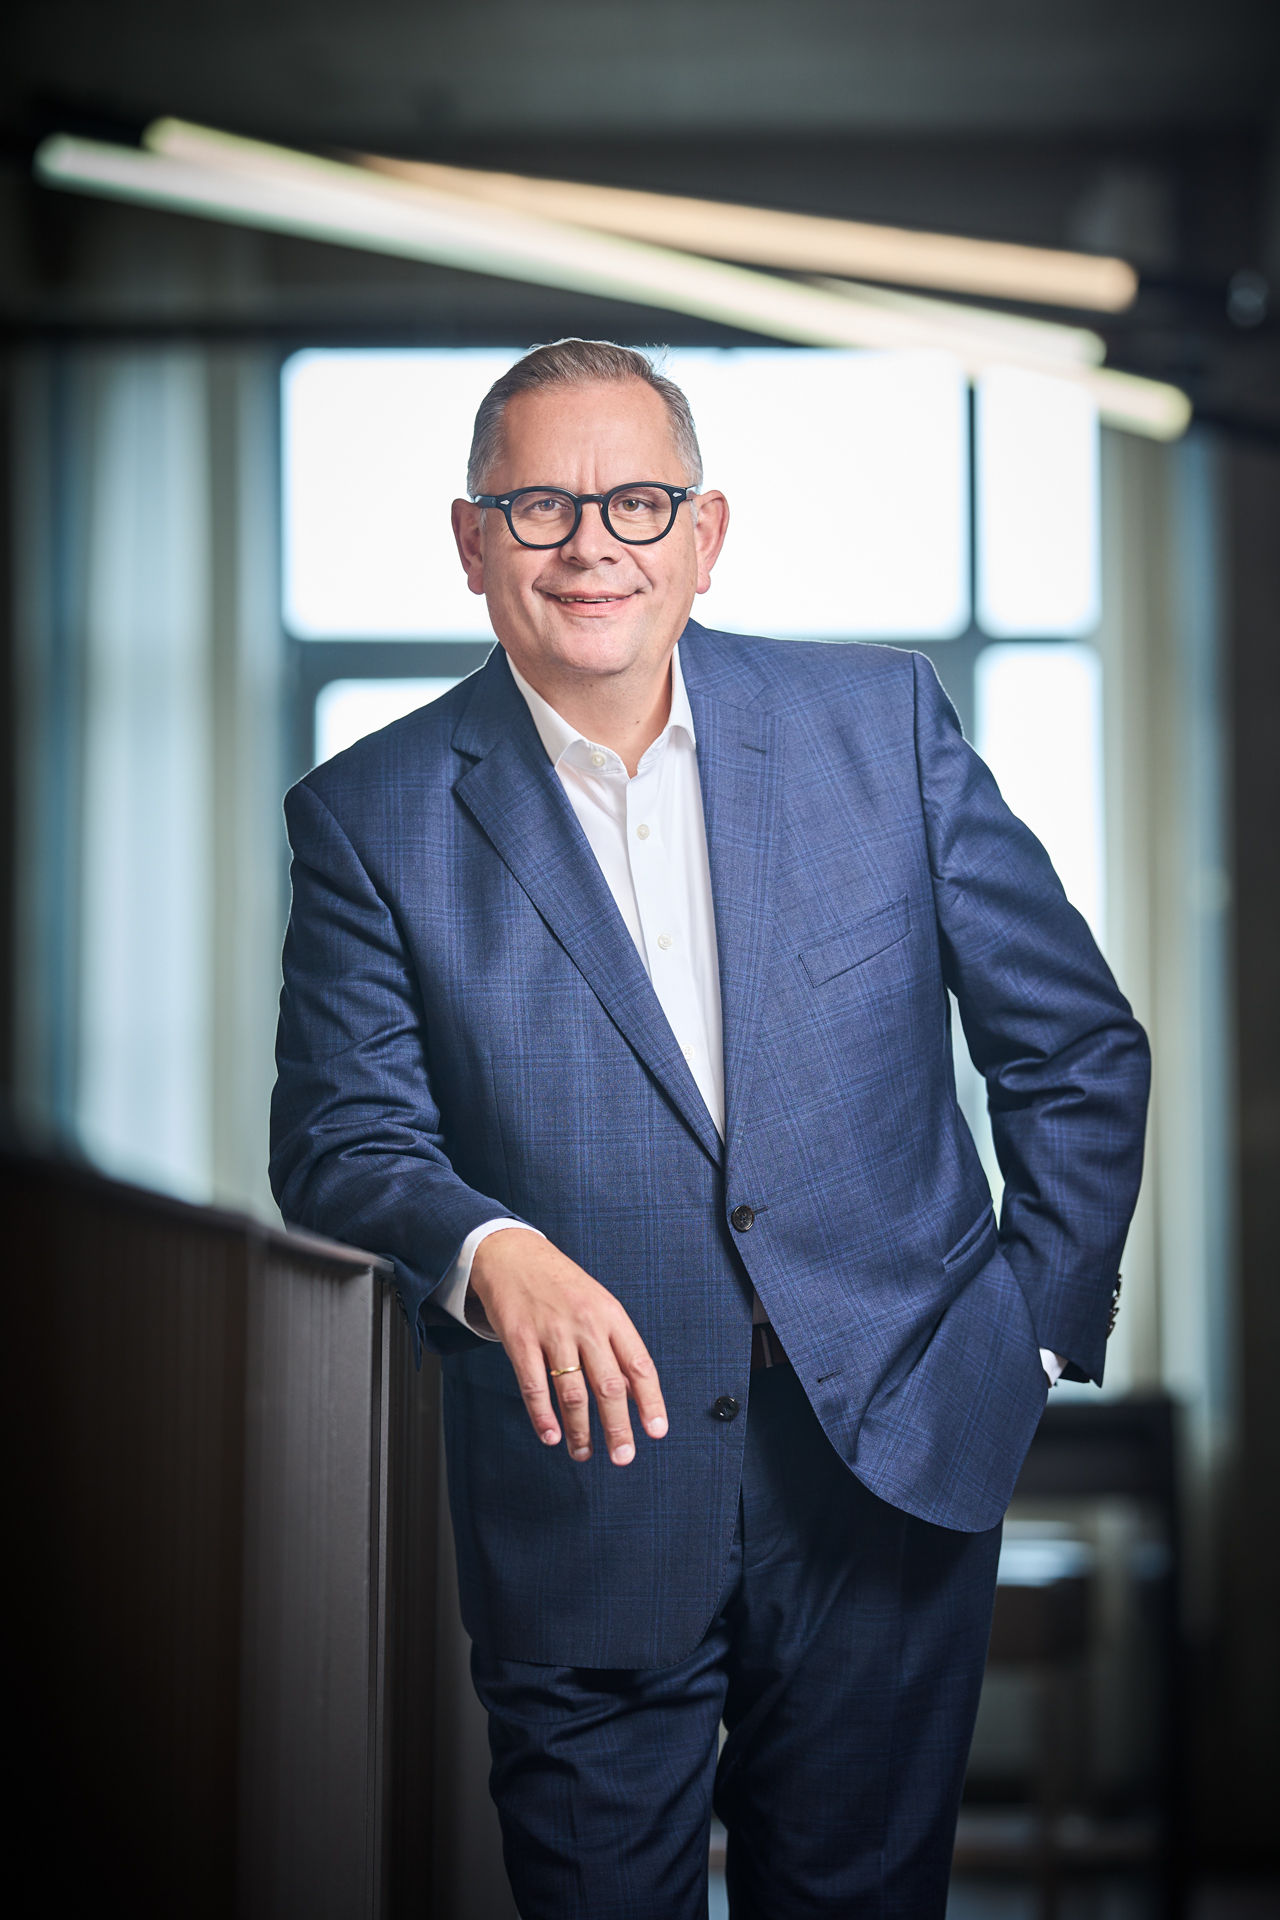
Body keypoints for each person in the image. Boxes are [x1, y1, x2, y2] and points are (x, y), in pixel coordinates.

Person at [270, 338, 1149, 1917]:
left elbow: (1076, 1048)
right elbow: (343, 1133)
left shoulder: (877, 724)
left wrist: (1018, 1342)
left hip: (889, 1466)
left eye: (637, 501)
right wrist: (487, 1246)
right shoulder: (369, 816)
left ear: (705, 533)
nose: (589, 543)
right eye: (538, 506)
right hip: (582, 1491)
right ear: (471, 541)